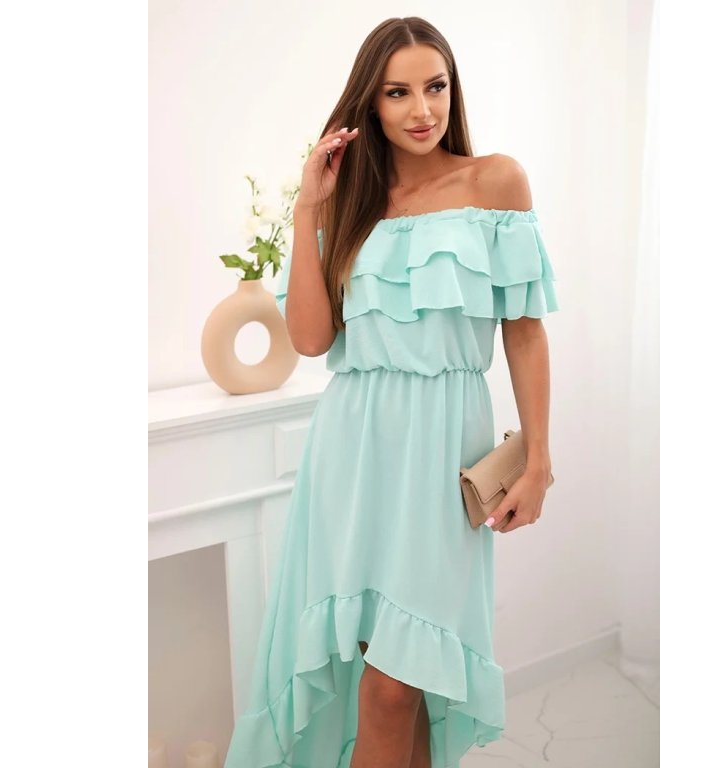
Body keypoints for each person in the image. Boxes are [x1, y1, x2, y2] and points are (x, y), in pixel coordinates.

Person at [224, 16, 559, 768]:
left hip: (442, 452)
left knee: (395, 687)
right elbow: (311, 340)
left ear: (452, 89)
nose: (422, 109)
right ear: (370, 104)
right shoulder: (349, 200)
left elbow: (525, 331)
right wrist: (308, 208)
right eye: (398, 92)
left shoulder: (495, 183)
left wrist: (538, 459)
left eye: (435, 87)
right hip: (352, 452)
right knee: (387, 684)